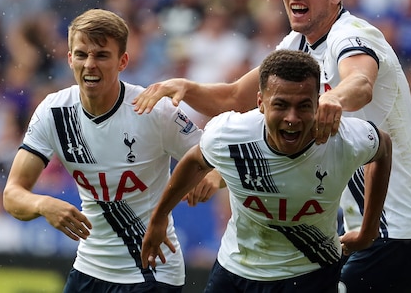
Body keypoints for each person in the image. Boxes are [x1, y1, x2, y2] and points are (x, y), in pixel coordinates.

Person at [133, 0, 411, 292]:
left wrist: (335, 97)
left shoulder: (353, 35)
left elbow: (361, 82)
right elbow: (235, 97)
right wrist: (187, 87)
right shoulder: (298, 45)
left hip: (397, 231)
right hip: (362, 229)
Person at [2, 8, 220, 292]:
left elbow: (223, 159)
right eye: (81, 54)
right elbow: (12, 194)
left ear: (122, 61)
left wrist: (214, 177)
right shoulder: (53, 112)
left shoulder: (153, 109)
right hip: (89, 269)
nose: (90, 64)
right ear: (69, 59)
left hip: (152, 269)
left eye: (101, 55)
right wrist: (42, 205)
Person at [140, 49, 392, 292]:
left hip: (312, 273)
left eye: (303, 106)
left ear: (318, 103)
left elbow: (384, 148)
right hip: (236, 271)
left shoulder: (345, 140)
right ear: (260, 102)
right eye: (280, 105)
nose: (291, 118)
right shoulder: (229, 134)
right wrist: (159, 217)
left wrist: (369, 230)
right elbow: (195, 160)